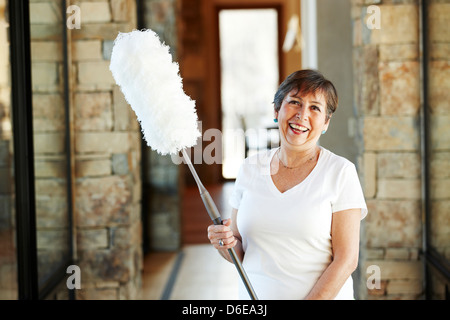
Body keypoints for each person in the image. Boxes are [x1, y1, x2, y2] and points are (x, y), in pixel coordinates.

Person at [207, 69, 368, 300]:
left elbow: (346, 260)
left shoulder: (340, 172)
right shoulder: (249, 168)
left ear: (326, 122)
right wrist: (224, 244)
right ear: (276, 110)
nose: (302, 115)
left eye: (315, 108)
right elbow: (239, 250)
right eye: (294, 102)